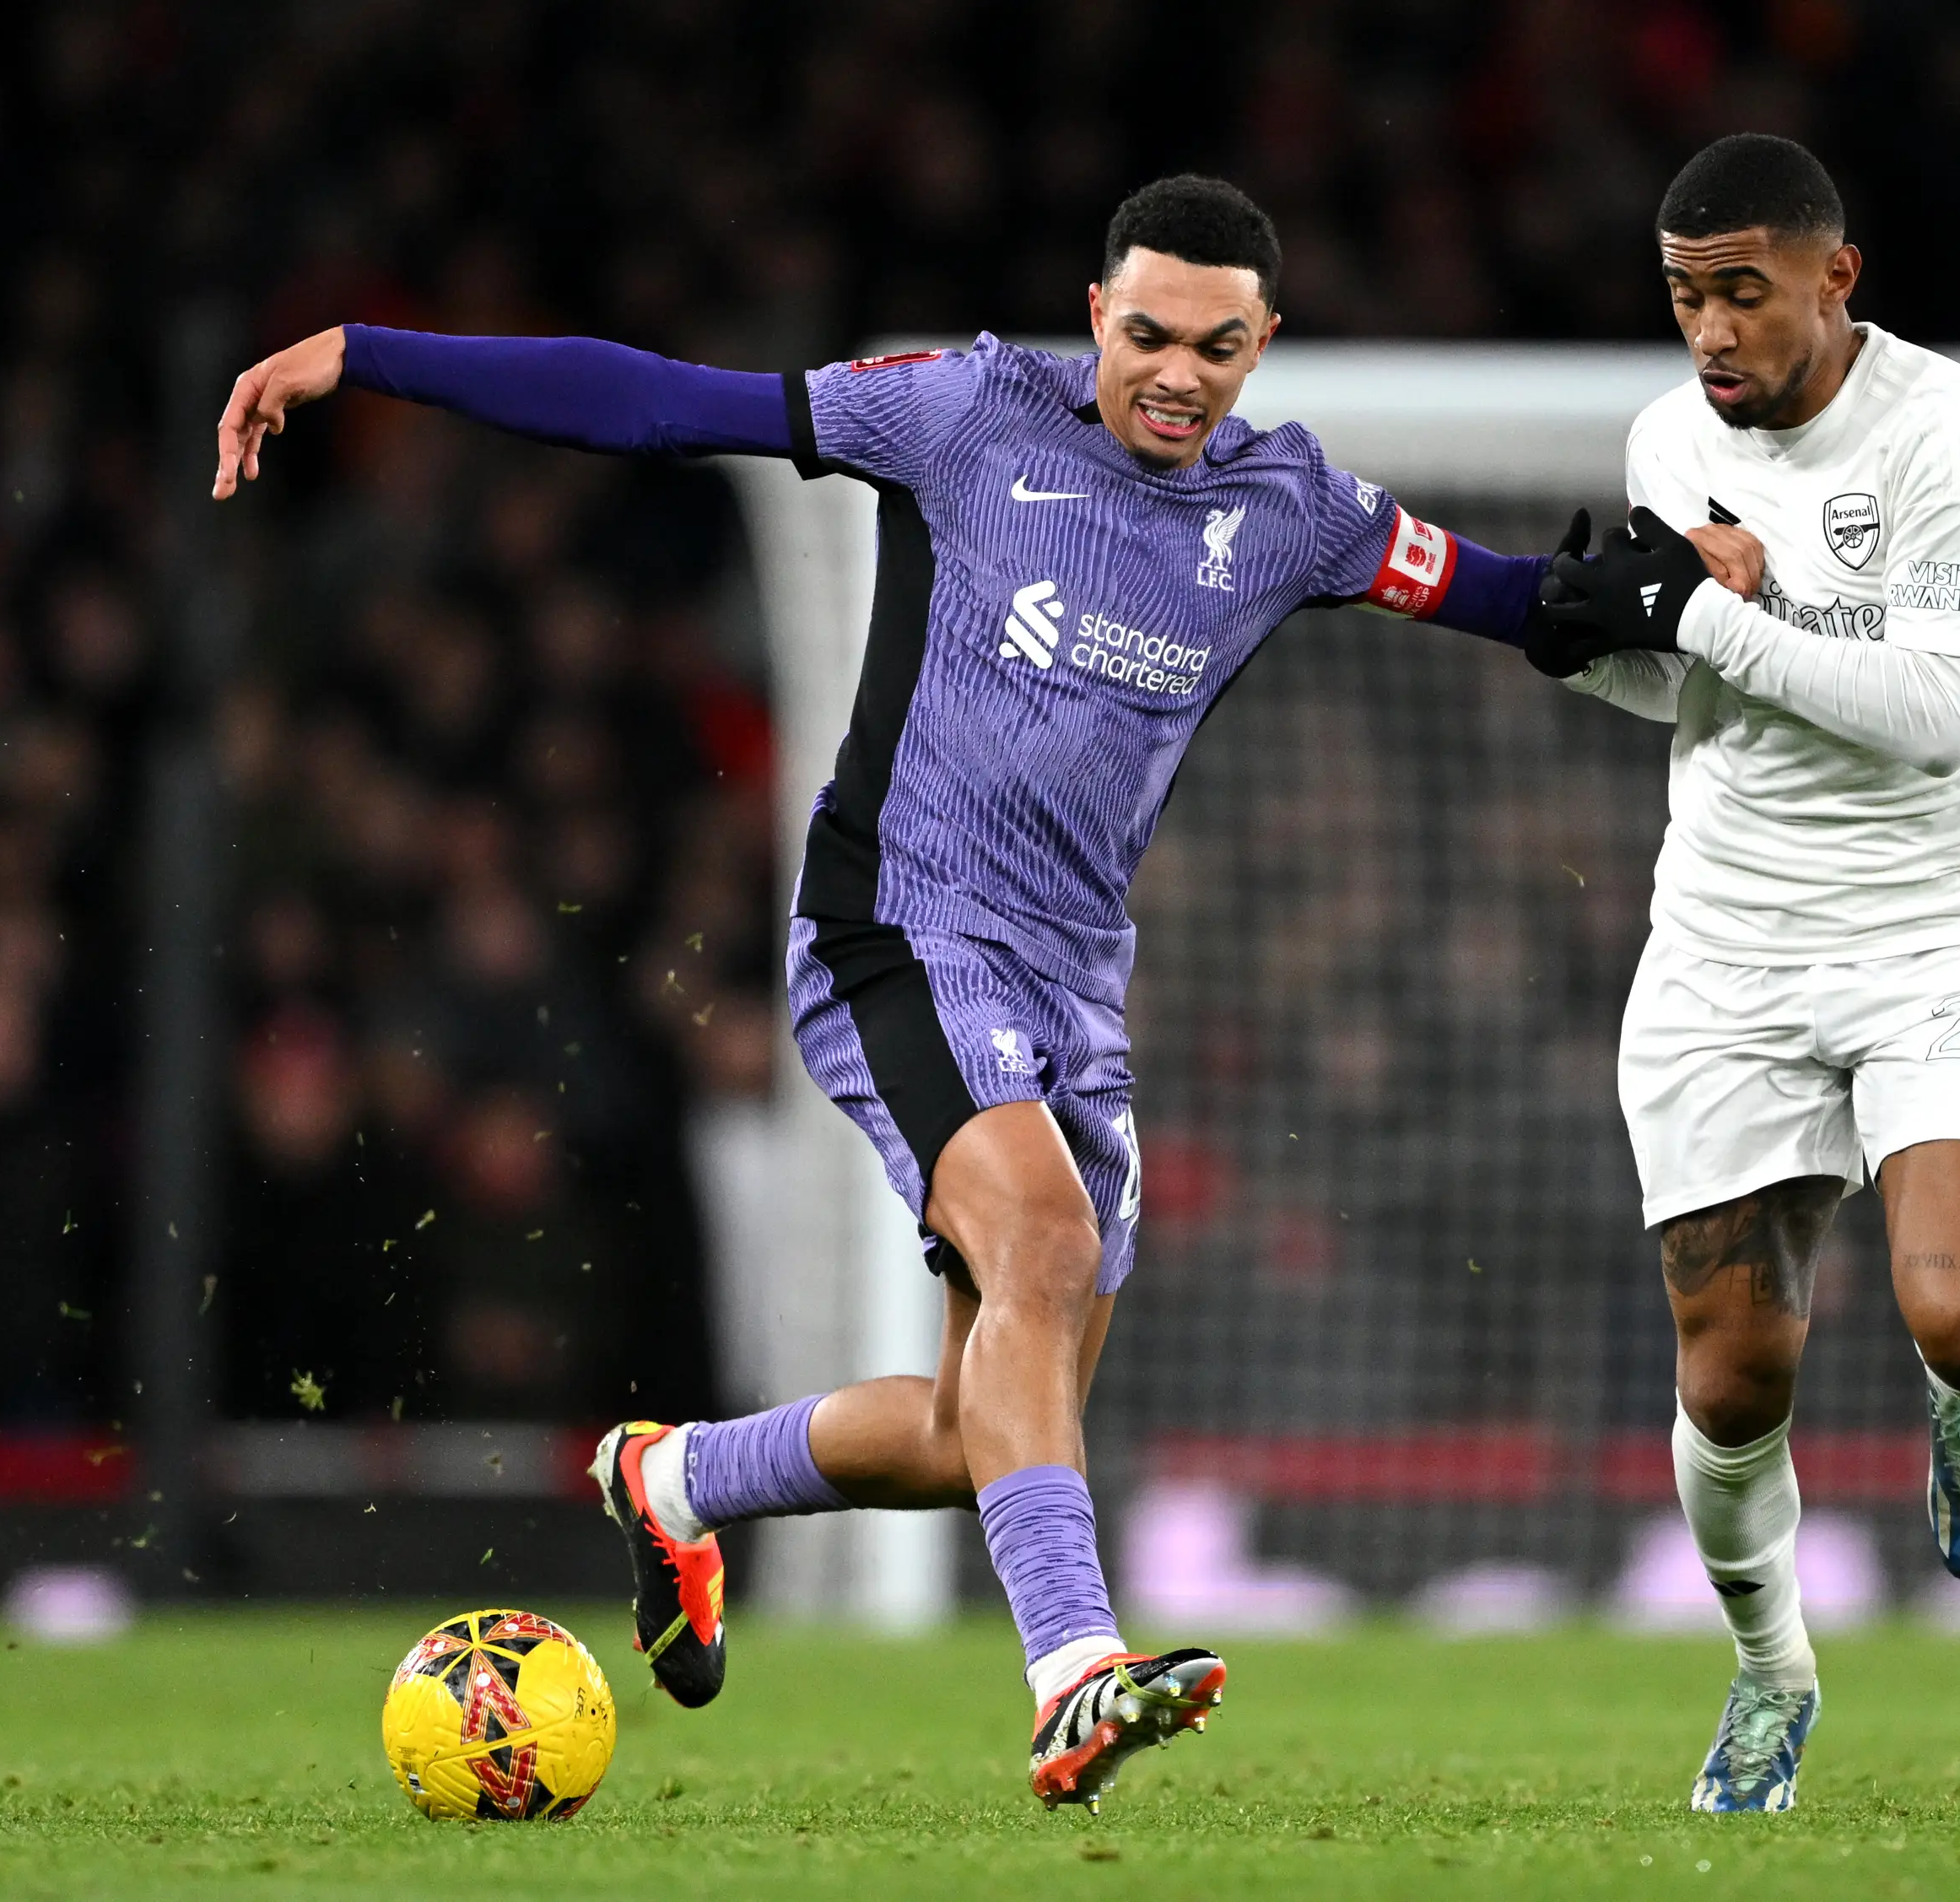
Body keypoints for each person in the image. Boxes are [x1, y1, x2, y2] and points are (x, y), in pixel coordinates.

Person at [212, 176, 1559, 1813]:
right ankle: (1075, 1674)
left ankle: (680, 1472)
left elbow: (1510, 597)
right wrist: (369, 352)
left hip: (1073, 978)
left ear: (1261, 343)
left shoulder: (1297, 513)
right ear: (1096, 313)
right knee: (1043, 1249)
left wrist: (1684, 592)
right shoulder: (964, 411)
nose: (1177, 373)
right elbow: (657, 404)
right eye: (1146, 333)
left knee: (969, 1424)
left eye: (1217, 345)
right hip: (902, 932)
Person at [1531, 134, 1960, 1813]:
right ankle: (1772, 1670)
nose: (1710, 333)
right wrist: (1597, 643)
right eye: (1685, 295)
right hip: (1729, 948)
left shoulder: (1949, 434)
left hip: (1934, 932)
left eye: (1743, 292)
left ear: (1837, 277)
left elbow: (1935, 713)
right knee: (1732, 1373)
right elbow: (1701, 690)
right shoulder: (1672, 434)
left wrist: (1695, 614)